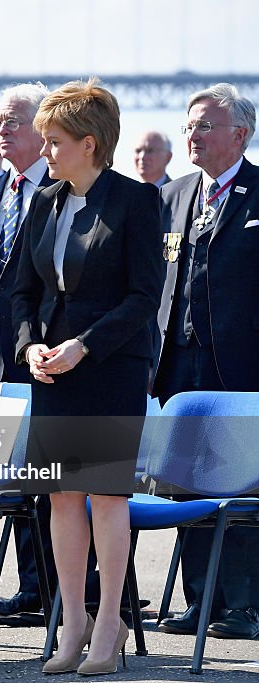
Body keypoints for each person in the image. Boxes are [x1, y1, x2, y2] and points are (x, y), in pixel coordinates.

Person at [10, 79, 163, 675]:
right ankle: (71, 621)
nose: (44, 151)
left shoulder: (135, 201)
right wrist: (31, 348)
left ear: (90, 144)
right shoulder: (45, 202)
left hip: (108, 370)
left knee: (105, 498)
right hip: (51, 373)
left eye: (54, 141)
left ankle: (108, 622)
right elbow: (22, 292)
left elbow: (143, 296)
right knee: (61, 498)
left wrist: (84, 346)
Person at [153, 83, 259, 641]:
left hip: (242, 368)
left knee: (239, 487)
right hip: (180, 367)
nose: (192, 135)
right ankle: (201, 599)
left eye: (205, 126)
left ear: (239, 134)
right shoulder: (172, 196)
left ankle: (242, 605)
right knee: (188, 485)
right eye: (190, 125)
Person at [0, 83, 67, 621]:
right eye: (0, 121)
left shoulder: (66, 189)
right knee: (12, 474)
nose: (1, 130)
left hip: (48, 354)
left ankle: (67, 586)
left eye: (13, 121)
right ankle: (32, 586)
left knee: (55, 476)